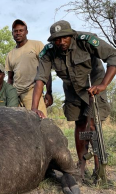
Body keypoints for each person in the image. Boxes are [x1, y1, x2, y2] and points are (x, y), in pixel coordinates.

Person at [31, 20, 116, 179]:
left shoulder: (86, 40)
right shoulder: (48, 52)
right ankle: (81, 164)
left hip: (93, 85)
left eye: (64, 38)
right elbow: (40, 79)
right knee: (79, 124)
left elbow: (113, 55)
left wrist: (104, 84)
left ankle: (99, 167)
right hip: (71, 89)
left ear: (71, 34)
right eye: (57, 39)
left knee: (92, 124)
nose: (61, 42)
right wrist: (35, 107)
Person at [5, 19, 53, 116]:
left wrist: (49, 92)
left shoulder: (37, 45)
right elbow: (10, 79)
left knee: (39, 121)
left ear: (26, 32)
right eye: (15, 31)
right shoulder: (10, 54)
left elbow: (46, 70)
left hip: (32, 91)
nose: (18, 33)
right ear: (12, 33)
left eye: (21, 30)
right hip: (15, 94)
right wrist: (8, 95)